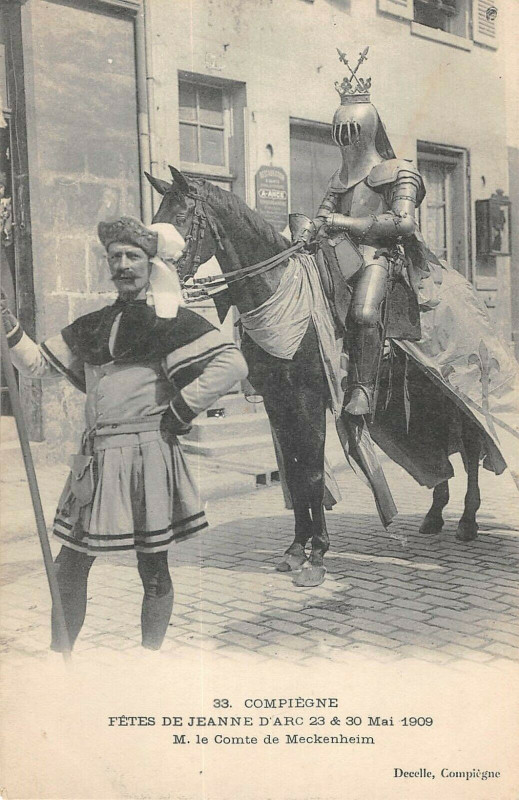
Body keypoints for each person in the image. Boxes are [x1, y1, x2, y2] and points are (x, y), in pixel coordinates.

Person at [1, 216, 248, 652]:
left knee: (152, 570)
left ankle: (148, 664)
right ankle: (62, 663)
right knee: (69, 567)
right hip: (95, 462)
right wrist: (7, 323)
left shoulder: (171, 321)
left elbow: (232, 364)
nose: (123, 264)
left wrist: (179, 410)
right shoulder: (94, 323)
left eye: (132, 256)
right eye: (115, 257)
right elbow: (37, 366)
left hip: (146, 455)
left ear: (151, 264)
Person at [301, 48, 426, 416]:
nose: (347, 140)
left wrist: (345, 223)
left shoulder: (398, 170)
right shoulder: (338, 178)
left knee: (365, 313)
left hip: (379, 256)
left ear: (367, 130)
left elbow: (403, 222)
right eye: (342, 133)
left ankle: (363, 388)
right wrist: (305, 230)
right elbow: (322, 216)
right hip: (337, 255)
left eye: (352, 132)